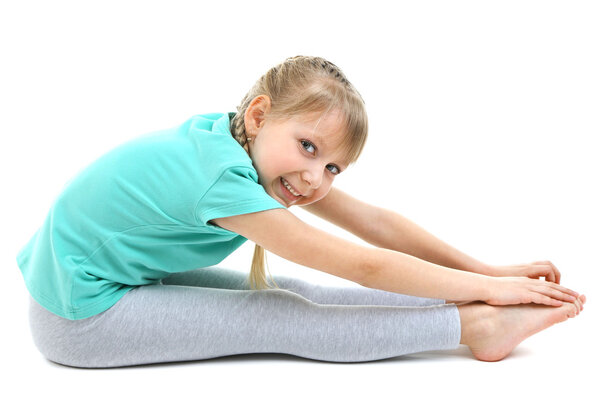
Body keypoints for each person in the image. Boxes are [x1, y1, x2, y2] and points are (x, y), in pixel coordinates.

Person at [17, 55, 585, 368]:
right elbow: (361, 264)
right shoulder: (221, 179)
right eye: (309, 148)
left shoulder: (243, 142)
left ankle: (466, 306)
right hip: (79, 320)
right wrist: (488, 295)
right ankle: (473, 325)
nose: (315, 179)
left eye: (334, 168)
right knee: (281, 314)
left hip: (127, 279)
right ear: (261, 114)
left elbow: (377, 225)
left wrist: (487, 275)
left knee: (284, 285)